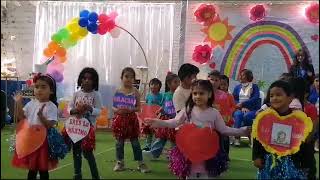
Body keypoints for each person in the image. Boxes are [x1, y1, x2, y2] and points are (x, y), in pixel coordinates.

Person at [145, 80, 250, 179]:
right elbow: (175, 122)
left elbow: (224, 129)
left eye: (201, 93)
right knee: (189, 175)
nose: (197, 96)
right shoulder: (188, 110)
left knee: (204, 175)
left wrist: (242, 131)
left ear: (209, 94)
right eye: (195, 93)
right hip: (189, 152)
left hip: (207, 153)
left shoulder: (214, 113)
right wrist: (158, 122)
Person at [252, 80, 313, 179]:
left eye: (279, 95)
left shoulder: (298, 120)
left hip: (293, 165)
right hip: (268, 164)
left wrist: (306, 164)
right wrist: (256, 156)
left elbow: (304, 143)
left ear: (290, 97)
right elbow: (257, 138)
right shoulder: (264, 118)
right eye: (271, 96)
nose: (274, 98)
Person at [12, 74, 59, 179]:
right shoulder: (31, 103)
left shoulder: (51, 106)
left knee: (43, 168)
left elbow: (50, 125)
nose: (39, 90)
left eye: (43, 87)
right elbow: (22, 117)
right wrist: (19, 103)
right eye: (37, 87)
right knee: (32, 169)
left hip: (44, 141)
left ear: (51, 91)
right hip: (31, 140)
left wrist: (41, 116)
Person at [62, 67, 101, 179]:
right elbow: (69, 107)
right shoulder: (76, 93)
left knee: (88, 153)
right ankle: (77, 174)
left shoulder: (96, 95)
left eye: (90, 78)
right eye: (84, 78)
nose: (87, 80)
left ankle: (95, 176)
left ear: (94, 81)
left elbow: (99, 111)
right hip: (75, 127)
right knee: (76, 151)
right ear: (80, 80)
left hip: (88, 129)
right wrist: (73, 110)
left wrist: (90, 108)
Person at [112, 67, 150, 173]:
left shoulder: (135, 91)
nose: (128, 79)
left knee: (135, 143)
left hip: (132, 121)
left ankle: (141, 163)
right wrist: (118, 111)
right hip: (120, 121)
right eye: (126, 76)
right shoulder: (118, 91)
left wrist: (130, 109)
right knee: (119, 143)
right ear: (122, 78)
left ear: (134, 79)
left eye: (131, 77)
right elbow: (113, 107)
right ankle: (120, 162)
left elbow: (139, 108)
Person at [143, 72, 180, 160]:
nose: (178, 84)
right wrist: (160, 110)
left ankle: (174, 155)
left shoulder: (180, 95)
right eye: (175, 82)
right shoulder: (165, 95)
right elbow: (163, 105)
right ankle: (154, 153)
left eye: (179, 82)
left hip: (175, 120)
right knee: (161, 137)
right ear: (169, 84)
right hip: (165, 119)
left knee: (174, 139)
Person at [208, 70, 233, 160]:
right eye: (212, 79)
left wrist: (226, 122)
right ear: (208, 80)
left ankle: (225, 156)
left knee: (224, 138)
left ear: (219, 82)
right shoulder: (205, 93)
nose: (214, 82)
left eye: (216, 80)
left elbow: (226, 110)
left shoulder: (224, 95)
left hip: (221, 121)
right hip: (207, 122)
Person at [232, 69, 261, 146]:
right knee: (238, 115)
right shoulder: (237, 87)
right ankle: (237, 138)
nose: (240, 76)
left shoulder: (254, 87)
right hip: (240, 109)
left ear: (248, 76)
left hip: (252, 109)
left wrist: (243, 104)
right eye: (240, 75)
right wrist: (240, 107)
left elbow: (255, 98)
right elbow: (233, 99)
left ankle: (250, 135)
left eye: (243, 75)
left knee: (247, 116)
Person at [141, 78, 163, 151]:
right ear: (150, 86)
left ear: (159, 86)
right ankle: (148, 145)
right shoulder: (148, 96)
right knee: (149, 132)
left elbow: (162, 106)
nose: (153, 86)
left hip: (158, 117)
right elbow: (147, 105)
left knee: (157, 133)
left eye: (156, 84)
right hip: (149, 117)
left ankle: (155, 147)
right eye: (152, 84)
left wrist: (159, 114)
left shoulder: (161, 96)